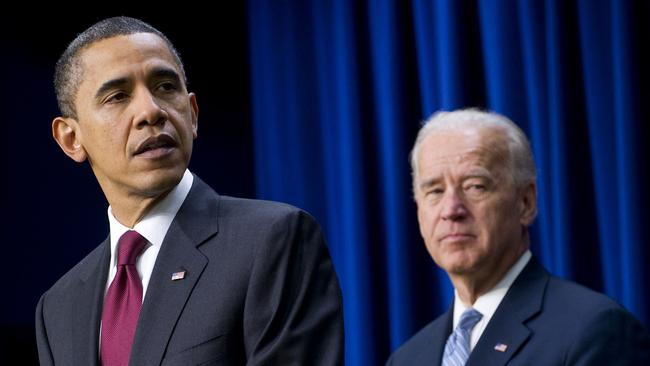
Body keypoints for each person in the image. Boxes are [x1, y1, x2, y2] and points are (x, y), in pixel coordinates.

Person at [35, 16, 343, 366]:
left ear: (192, 114)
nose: (151, 111)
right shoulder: (58, 307)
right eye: (118, 96)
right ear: (71, 138)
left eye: (166, 86)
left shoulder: (273, 240)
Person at [387, 109, 650, 365]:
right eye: (434, 191)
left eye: (475, 186)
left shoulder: (594, 330)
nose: (451, 210)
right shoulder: (407, 358)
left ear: (526, 202)